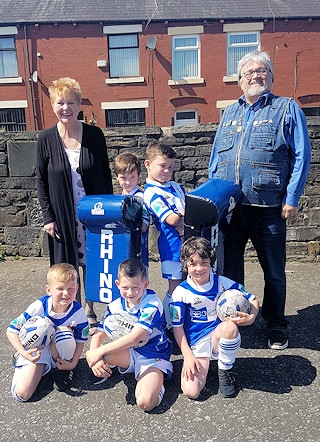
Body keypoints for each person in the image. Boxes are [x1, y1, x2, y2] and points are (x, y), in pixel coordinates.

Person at [208, 50, 311, 350]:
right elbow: (216, 161)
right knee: (229, 272)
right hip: (231, 209)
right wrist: (213, 201)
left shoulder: (287, 108)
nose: (256, 75)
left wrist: (291, 196)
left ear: (271, 76)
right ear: (240, 81)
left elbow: (302, 155)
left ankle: (276, 325)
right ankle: (232, 322)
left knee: (274, 272)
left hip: (269, 209)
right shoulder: (229, 113)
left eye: (262, 70)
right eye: (250, 72)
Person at [37, 77, 113, 335]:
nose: (66, 107)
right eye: (60, 102)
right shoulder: (45, 138)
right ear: (53, 105)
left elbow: (104, 173)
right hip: (62, 217)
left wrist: (110, 215)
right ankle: (72, 313)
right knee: (67, 268)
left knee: (94, 263)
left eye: (71, 102)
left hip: (94, 215)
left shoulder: (94, 135)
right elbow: (41, 181)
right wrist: (48, 217)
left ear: (79, 104)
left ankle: (90, 310)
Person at [169, 237, 259, 399]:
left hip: (219, 335)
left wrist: (250, 317)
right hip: (197, 341)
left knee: (230, 328)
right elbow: (177, 327)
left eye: (204, 262)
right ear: (185, 265)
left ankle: (225, 370)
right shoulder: (180, 293)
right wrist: (188, 356)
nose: (199, 268)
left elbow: (253, 299)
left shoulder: (222, 282)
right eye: (192, 263)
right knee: (191, 392)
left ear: (211, 261)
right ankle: (204, 363)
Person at [85, 258, 172, 411]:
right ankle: (121, 368)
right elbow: (99, 333)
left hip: (152, 356)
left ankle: (157, 383)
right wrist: (93, 354)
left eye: (135, 288)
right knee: (100, 358)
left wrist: (98, 352)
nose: (130, 293)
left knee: (145, 403)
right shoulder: (115, 305)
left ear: (145, 284)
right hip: (129, 352)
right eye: (125, 287)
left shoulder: (152, 304)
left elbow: (136, 337)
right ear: (117, 284)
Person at [6, 263, 88, 401]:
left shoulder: (78, 312)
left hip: (60, 350)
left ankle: (64, 370)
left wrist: (73, 363)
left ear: (77, 288)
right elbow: (11, 330)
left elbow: (81, 340)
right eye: (60, 288)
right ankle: (25, 361)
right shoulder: (39, 306)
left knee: (63, 333)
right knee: (23, 395)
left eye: (70, 288)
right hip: (38, 350)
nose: (66, 293)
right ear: (48, 290)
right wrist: (23, 352)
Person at [143, 140, 185, 333]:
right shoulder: (150, 193)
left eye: (170, 167)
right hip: (171, 246)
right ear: (148, 164)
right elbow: (172, 219)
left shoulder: (176, 187)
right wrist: (187, 219)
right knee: (175, 288)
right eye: (162, 166)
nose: (167, 171)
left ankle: (181, 323)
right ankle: (168, 325)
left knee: (186, 285)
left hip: (187, 243)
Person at [114, 152, 149, 271]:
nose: (128, 182)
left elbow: (144, 226)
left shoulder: (141, 198)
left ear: (138, 175)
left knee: (138, 274)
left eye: (132, 177)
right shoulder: (118, 198)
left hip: (137, 245)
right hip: (122, 244)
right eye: (123, 178)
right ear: (116, 177)